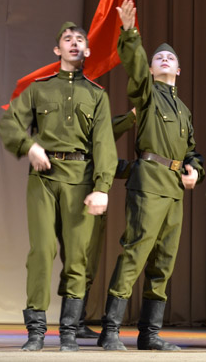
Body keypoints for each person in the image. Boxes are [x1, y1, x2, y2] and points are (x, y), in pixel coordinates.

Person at [0, 22, 117, 352]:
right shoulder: (39, 89)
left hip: (80, 180)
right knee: (41, 252)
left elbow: (105, 145)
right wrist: (28, 146)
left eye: (80, 40)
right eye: (68, 39)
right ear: (58, 50)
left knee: (78, 258)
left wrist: (102, 187)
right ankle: (35, 331)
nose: (74, 44)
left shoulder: (96, 95)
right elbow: (9, 123)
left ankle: (68, 333)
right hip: (44, 178)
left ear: (88, 51)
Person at [97, 0, 204, 351]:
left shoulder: (184, 110)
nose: (164, 59)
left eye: (170, 57)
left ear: (180, 68)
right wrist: (130, 33)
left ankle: (150, 334)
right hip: (149, 181)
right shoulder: (146, 95)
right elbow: (136, 66)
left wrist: (195, 172)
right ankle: (110, 330)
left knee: (164, 261)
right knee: (135, 252)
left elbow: (192, 150)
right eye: (159, 58)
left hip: (175, 188)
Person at [58, 109, 137, 340]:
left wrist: (143, 168)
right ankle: (70, 323)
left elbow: (112, 165)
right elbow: (108, 131)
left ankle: (78, 321)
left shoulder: (99, 146)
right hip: (77, 201)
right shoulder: (85, 135)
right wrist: (131, 117)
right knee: (77, 263)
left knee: (89, 265)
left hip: (95, 206)